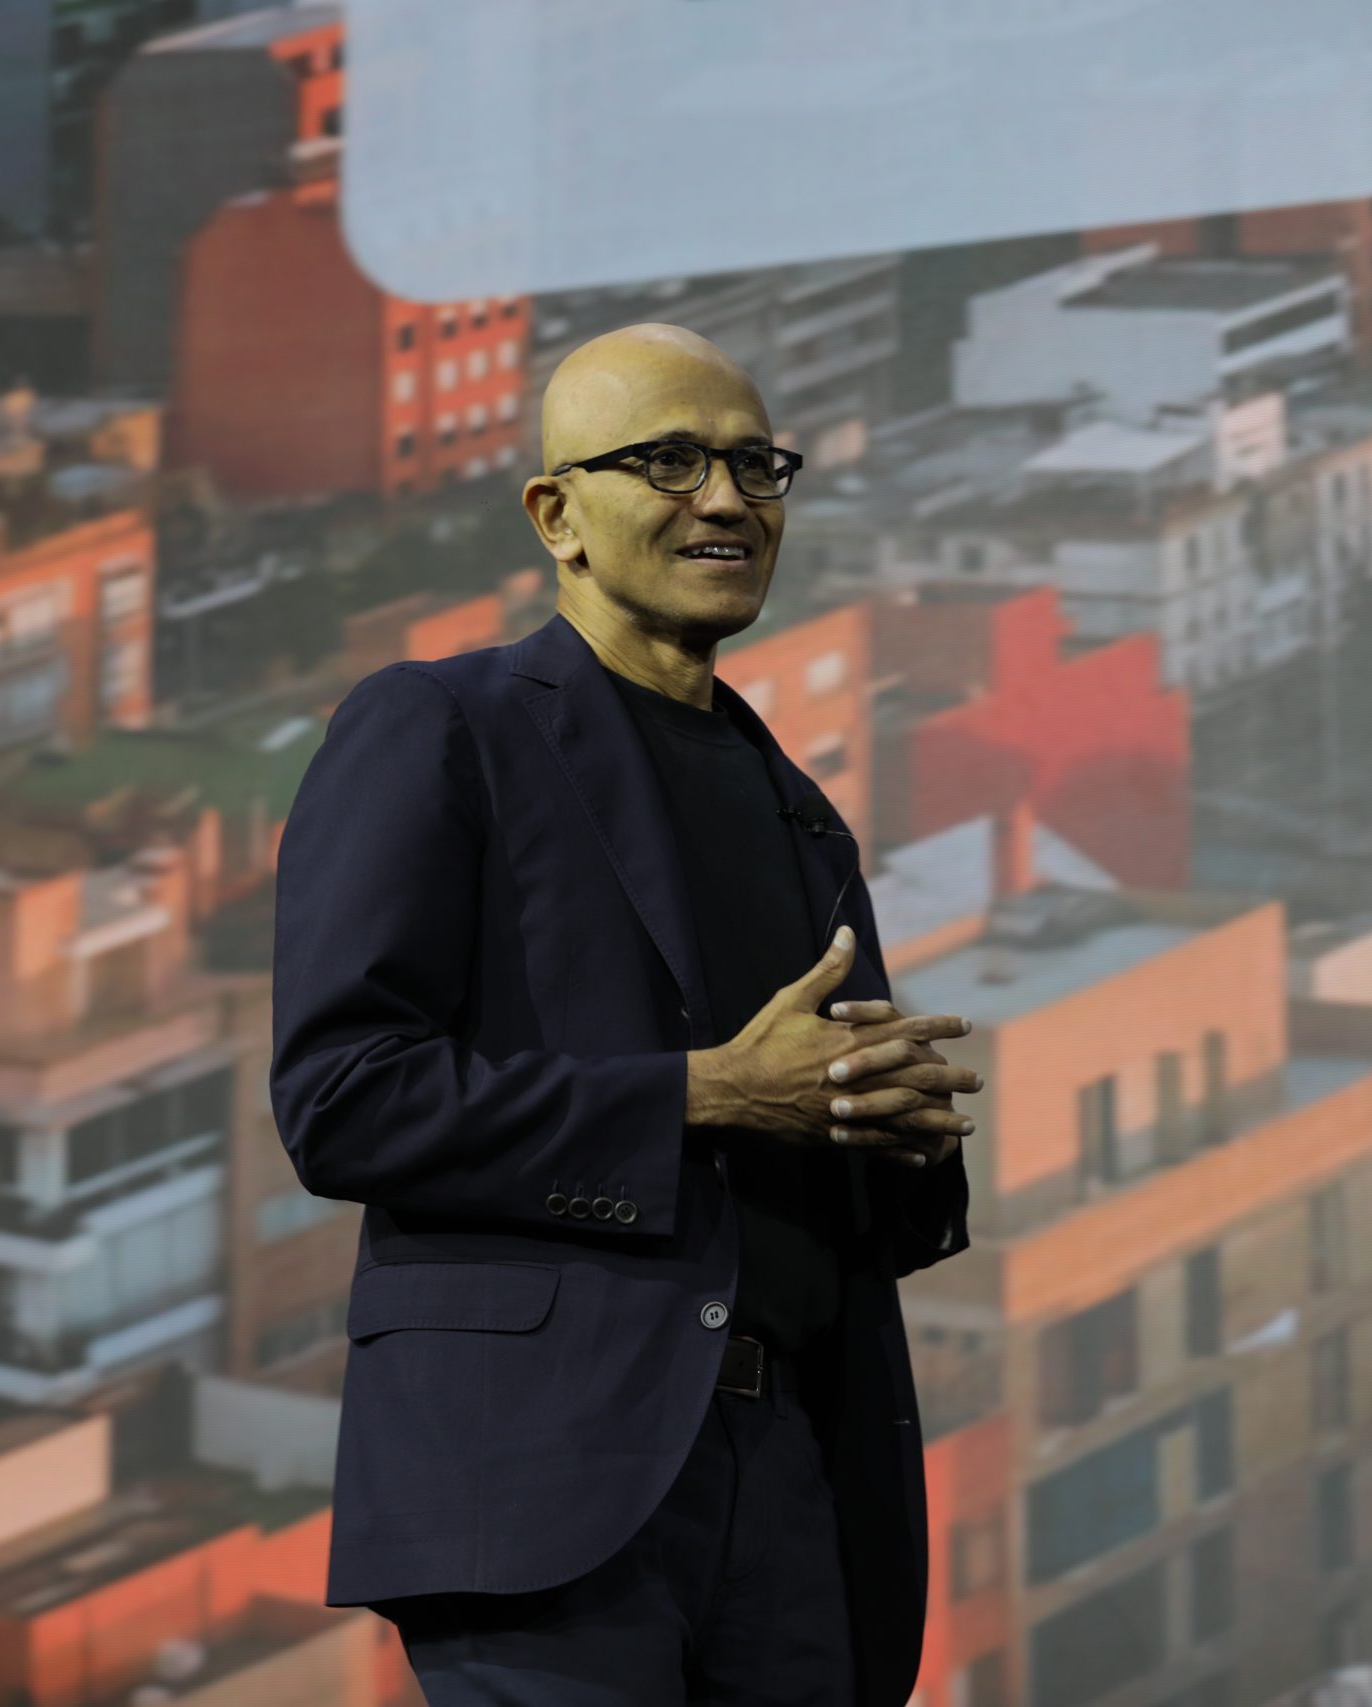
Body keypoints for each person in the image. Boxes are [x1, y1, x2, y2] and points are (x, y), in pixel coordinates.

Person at [270, 323, 982, 1706]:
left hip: (793, 1477)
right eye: (668, 461)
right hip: (551, 1472)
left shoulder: (798, 812)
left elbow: (835, 1174)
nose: (725, 500)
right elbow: (345, 1098)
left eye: (756, 468)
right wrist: (712, 1092)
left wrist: (897, 1139)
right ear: (557, 514)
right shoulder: (443, 726)